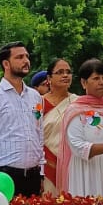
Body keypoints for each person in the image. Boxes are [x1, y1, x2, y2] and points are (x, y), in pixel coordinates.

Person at [0, 42, 44, 197]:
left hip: (33, 176)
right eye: (19, 57)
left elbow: (39, 134)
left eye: (27, 56)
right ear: (6, 64)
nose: (26, 61)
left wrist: (42, 172)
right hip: (2, 177)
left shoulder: (35, 96)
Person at [56, 59, 103, 196]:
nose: (102, 82)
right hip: (85, 171)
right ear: (83, 83)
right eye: (96, 78)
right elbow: (77, 146)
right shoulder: (75, 110)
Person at [42, 59, 74, 194]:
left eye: (68, 72)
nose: (65, 75)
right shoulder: (39, 103)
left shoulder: (78, 102)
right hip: (47, 166)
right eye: (60, 72)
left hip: (72, 165)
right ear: (49, 78)